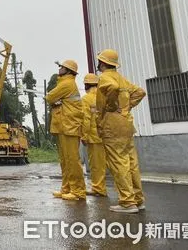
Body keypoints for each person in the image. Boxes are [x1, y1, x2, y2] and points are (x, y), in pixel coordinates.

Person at [95, 48, 146, 214]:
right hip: (126, 124)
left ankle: (127, 202)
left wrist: (111, 106)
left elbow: (113, 88)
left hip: (113, 126)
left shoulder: (105, 77)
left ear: (102, 63)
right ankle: (138, 200)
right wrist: (127, 107)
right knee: (131, 163)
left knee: (119, 163)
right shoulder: (122, 79)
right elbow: (140, 92)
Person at [46, 60, 86, 201]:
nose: (59, 68)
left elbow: (49, 97)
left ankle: (78, 191)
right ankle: (67, 188)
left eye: (62, 67)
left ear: (68, 70)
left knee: (72, 160)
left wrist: (55, 101)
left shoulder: (67, 84)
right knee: (65, 160)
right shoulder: (64, 83)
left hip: (70, 126)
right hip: (64, 126)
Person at [81, 73, 107, 197]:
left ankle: (99, 188)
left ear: (86, 85)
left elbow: (86, 119)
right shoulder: (105, 96)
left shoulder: (86, 99)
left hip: (94, 136)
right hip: (108, 134)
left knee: (96, 165)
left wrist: (84, 136)